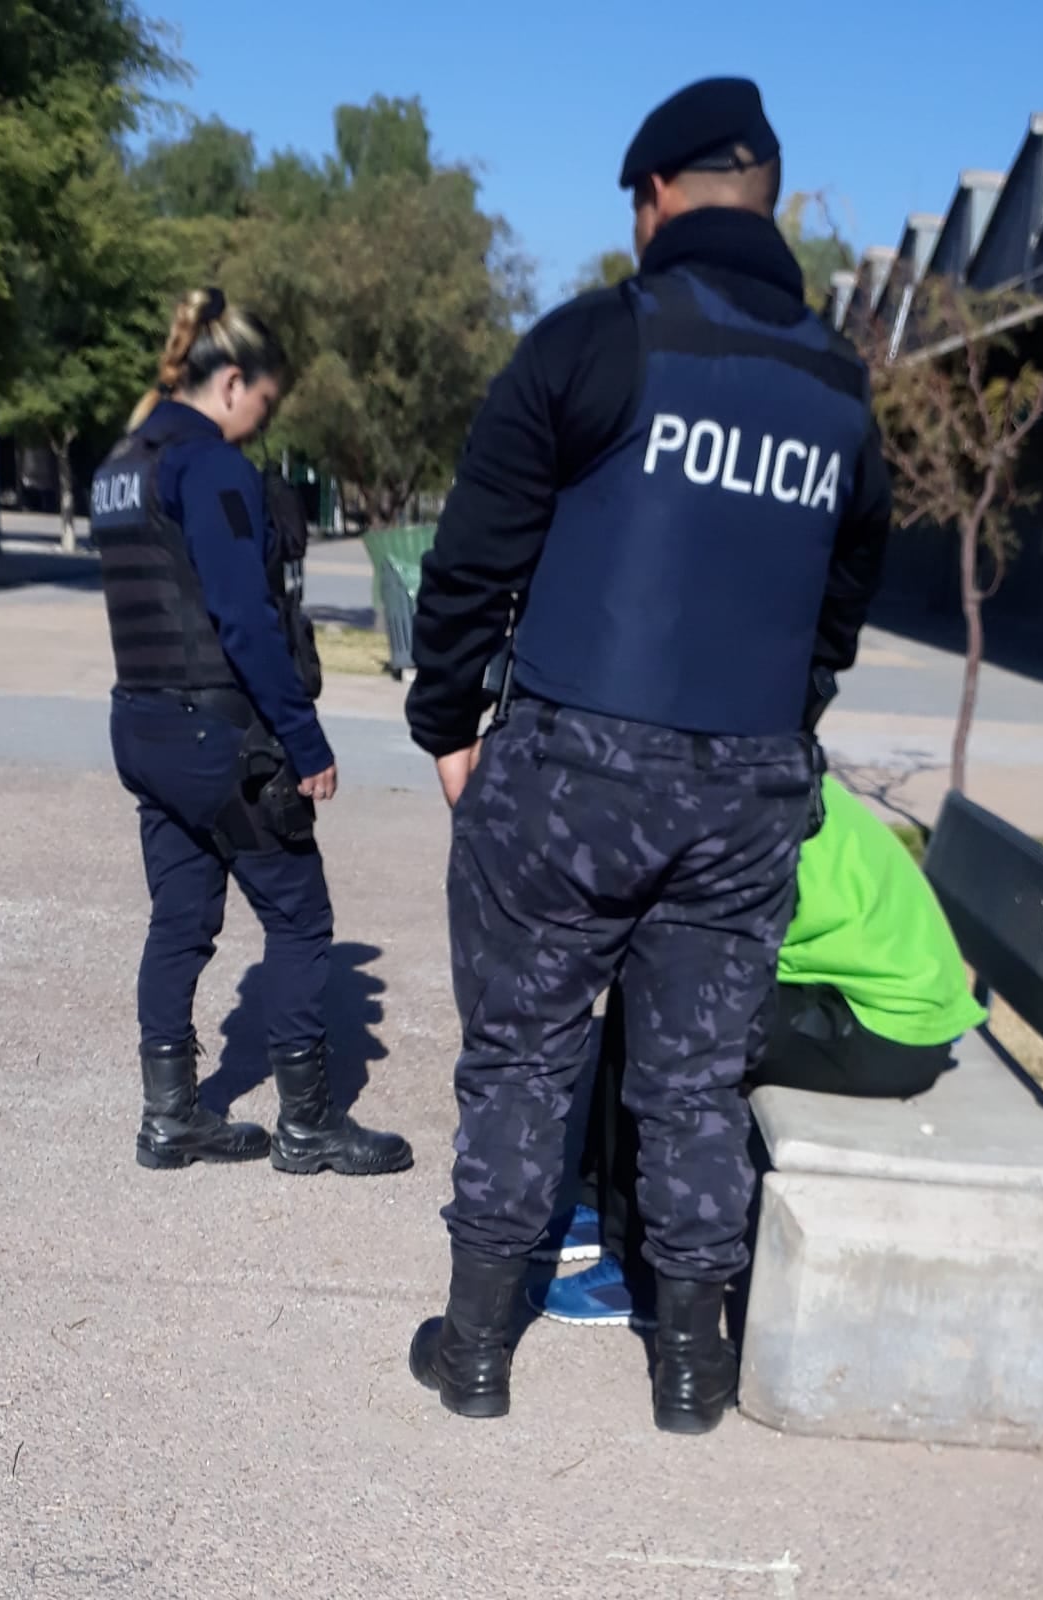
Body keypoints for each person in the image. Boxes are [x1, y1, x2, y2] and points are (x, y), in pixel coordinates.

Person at [405, 79, 892, 1434]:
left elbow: (470, 561)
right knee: (692, 1076)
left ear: (653, 200)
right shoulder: (842, 396)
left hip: (573, 768)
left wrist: (448, 726)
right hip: (744, 792)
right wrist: (772, 741)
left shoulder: (595, 341)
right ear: (774, 204)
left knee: (522, 1058)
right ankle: (689, 1371)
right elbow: (834, 615)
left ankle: (479, 1353)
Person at [93, 288, 412, 1179]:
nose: (258, 423)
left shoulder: (121, 467)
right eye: (263, 403)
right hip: (216, 733)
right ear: (231, 380)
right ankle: (307, 1128)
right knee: (301, 917)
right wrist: (305, 745)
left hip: (142, 726)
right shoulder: (209, 468)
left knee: (181, 918)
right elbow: (244, 621)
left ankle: (169, 1119)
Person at [532, 775, 989, 1327]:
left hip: (885, 1027)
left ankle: (641, 1276)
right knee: (644, 987)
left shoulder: (736, 809)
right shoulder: (751, 762)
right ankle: (602, 1205)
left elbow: (698, 949)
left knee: (669, 1018)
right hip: (854, 991)